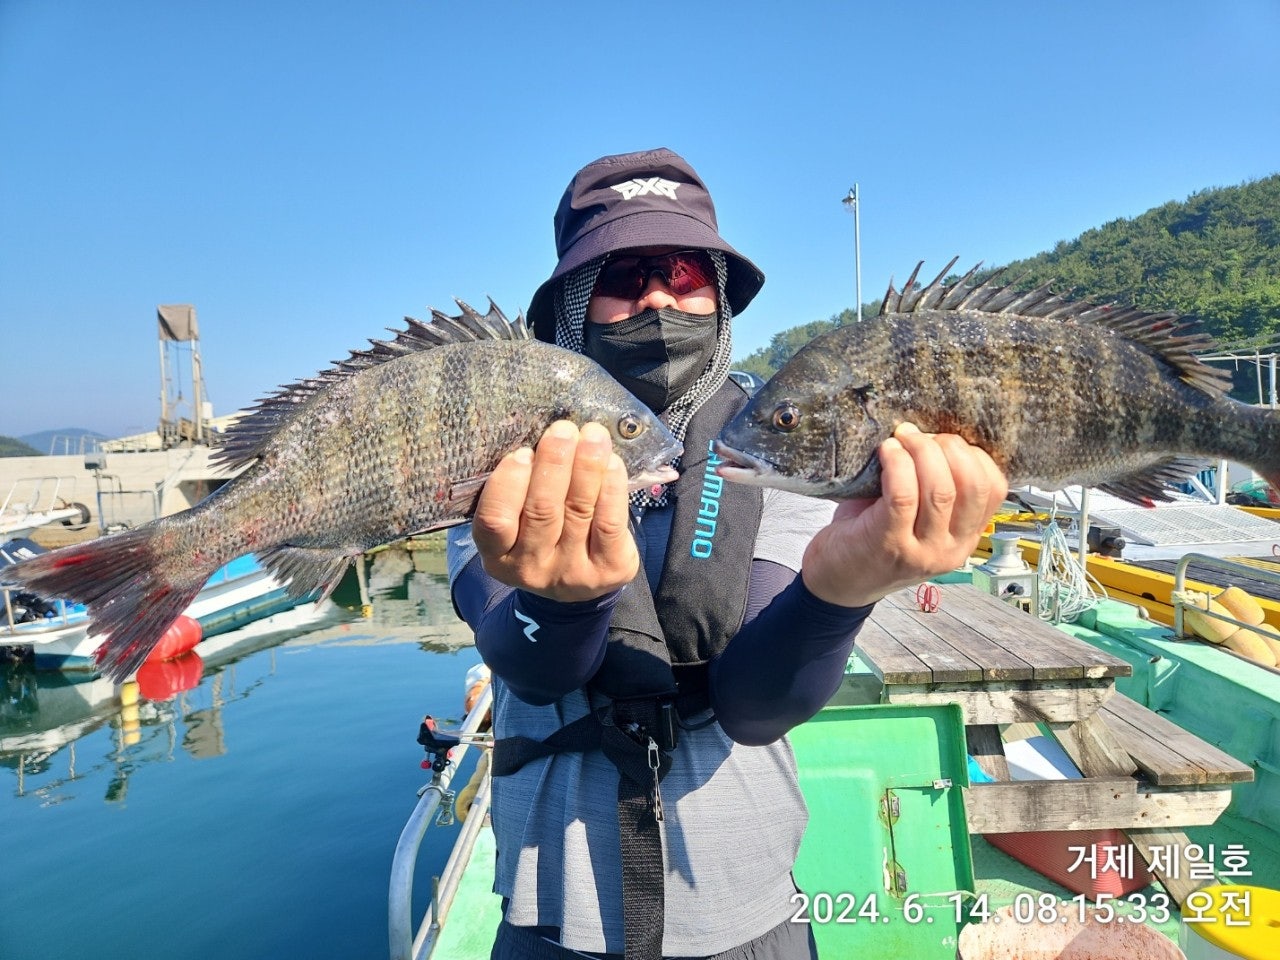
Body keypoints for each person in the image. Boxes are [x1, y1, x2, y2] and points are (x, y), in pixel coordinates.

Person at [447, 148, 1008, 960]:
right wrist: (563, 604)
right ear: (570, 304)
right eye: (622, 274)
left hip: (751, 920)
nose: (656, 296)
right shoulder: (499, 439)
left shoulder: (774, 446)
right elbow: (523, 661)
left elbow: (754, 707)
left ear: (719, 295)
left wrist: (839, 591)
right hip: (548, 917)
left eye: (683, 270)